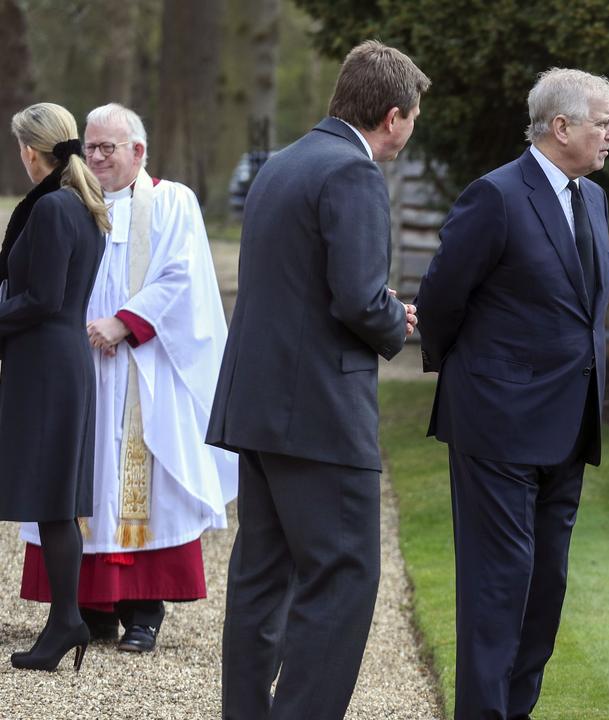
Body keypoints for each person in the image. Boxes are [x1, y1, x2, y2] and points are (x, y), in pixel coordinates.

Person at [206, 40, 427, 718]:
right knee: (343, 580)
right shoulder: (354, 174)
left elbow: (299, 283)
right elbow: (358, 298)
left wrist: (376, 304)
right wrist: (397, 319)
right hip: (321, 416)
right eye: (413, 117)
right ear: (393, 116)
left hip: (261, 406)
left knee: (261, 580)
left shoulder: (284, 163)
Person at [415, 67, 609, 720]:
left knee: (545, 591)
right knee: (498, 589)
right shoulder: (495, 197)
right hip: (497, 429)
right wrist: (478, 382)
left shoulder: (593, 199)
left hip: (570, 426)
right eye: (602, 122)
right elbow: (442, 297)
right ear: (560, 127)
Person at [16, 102, 238, 654]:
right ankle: (90, 608)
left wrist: (125, 322)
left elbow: (183, 275)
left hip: (142, 367)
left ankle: (144, 610)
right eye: (89, 147)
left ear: (138, 151)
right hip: (80, 365)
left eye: (107, 148)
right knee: (82, 480)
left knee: (142, 485)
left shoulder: (170, 202)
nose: (95, 157)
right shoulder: (71, 204)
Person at [1, 102, 109, 671]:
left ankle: (67, 619)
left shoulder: (49, 211)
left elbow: (41, 299)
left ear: (29, 150)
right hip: (62, 362)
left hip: (45, 365)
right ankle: (65, 619)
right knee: (56, 503)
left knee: (53, 501)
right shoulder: (81, 206)